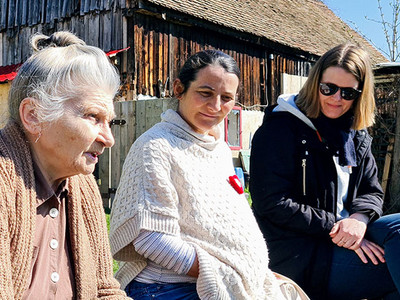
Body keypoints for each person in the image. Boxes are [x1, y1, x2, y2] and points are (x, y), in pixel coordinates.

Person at [109, 49, 308, 299]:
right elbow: (152, 240)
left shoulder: (219, 150)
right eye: (205, 93)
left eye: (226, 98)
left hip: (222, 279)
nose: (215, 106)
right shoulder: (156, 147)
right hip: (166, 288)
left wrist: (249, 269)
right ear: (179, 89)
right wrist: (224, 274)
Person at [250, 43, 400, 300]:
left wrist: (359, 220)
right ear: (315, 83)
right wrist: (339, 227)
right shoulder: (280, 130)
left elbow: (371, 190)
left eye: (348, 93)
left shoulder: (356, 135)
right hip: (299, 251)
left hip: (345, 238)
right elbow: (272, 203)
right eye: (328, 88)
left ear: (360, 94)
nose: (336, 98)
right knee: (392, 274)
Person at [0, 31, 129, 299]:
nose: (109, 139)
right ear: (33, 115)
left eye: (110, 121)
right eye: (93, 116)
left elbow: (104, 290)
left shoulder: (81, 185)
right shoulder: (3, 182)